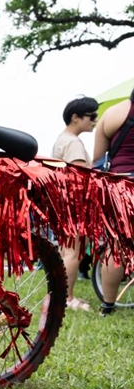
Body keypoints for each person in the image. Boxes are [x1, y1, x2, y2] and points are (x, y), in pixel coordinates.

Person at [52, 95, 99, 312]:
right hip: (75, 204)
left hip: (63, 203)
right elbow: (80, 177)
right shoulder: (73, 143)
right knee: (73, 252)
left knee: (65, 251)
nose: (95, 120)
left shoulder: (62, 139)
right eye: (91, 116)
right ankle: (68, 299)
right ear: (76, 117)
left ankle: (60, 296)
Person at [94, 86, 134, 317]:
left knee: (116, 247)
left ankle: (108, 306)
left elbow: (98, 158)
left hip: (120, 188)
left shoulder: (113, 113)